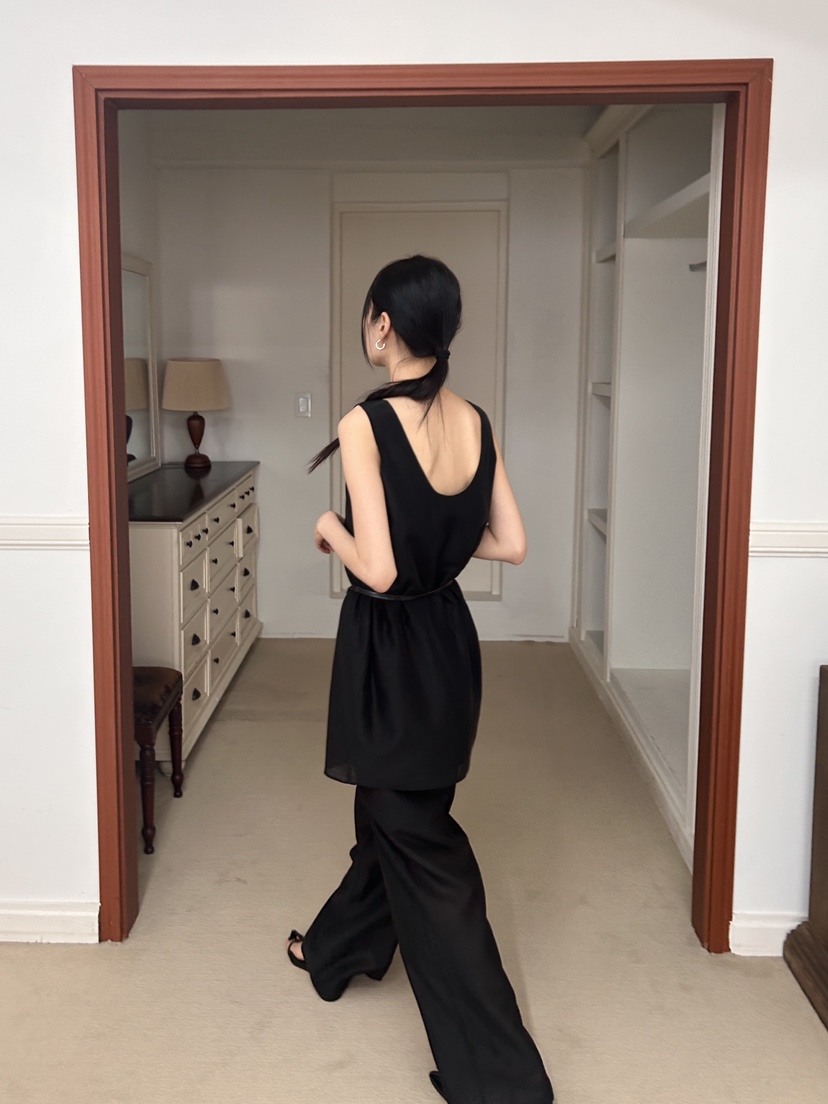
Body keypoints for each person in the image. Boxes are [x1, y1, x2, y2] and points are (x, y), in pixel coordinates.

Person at [287, 255, 555, 1104]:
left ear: (383, 326)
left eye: (370, 317)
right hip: (448, 641)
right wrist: (439, 539)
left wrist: (328, 526)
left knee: (422, 842)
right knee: (393, 811)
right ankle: (338, 948)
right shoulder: (475, 419)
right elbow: (511, 544)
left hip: (390, 651)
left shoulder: (366, 423)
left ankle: (501, 1077)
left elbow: (376, 568)